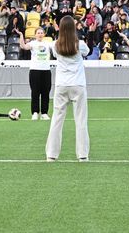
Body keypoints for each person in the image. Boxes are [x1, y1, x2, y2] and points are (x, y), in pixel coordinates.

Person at [45, 15, 90, 162]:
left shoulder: (55, 45)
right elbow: (87, 51)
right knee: (81, 120)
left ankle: (51, 154)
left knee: (57, 120)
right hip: (78, 84)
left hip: (61, 85)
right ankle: (82, 154)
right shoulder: (80, 44)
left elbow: (56, 53)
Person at [19, 27, 53, 120]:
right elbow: (23, 46)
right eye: (38, 33)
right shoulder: (32, 43)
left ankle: (44, 113)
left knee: (46, 93)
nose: (40, 34)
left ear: (44, 34)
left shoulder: (48, 43)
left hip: (46, 70)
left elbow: (57, 45)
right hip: (35, 70)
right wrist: (21, 36)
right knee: (35, 92)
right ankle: (35, 112)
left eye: (42, 33)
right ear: (35, 34)